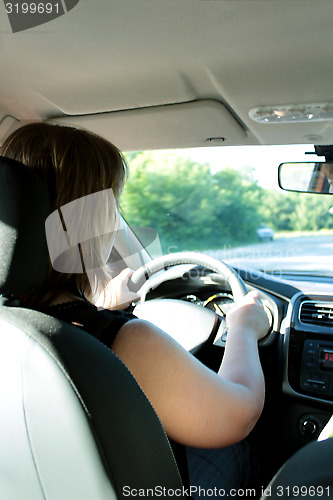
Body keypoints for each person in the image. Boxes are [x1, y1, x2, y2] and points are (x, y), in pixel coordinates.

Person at [0, 122, 269, 496]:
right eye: (110, 205)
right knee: (240, 450)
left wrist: (100, 304)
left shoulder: (12, 326)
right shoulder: (124, 342)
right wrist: (243, 326)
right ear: (88, 223)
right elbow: (238, 414)